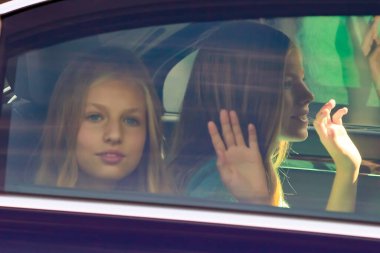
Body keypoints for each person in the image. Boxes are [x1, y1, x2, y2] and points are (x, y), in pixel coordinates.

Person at [167, 21, 361, 212]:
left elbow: (308, 245)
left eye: (302, 79)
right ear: (245, 96)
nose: (308, 95)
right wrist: (258, 204)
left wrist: (347, 167)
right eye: (286, 83)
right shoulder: (220, 186)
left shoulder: (245, 171)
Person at [35, 47, 167, 193]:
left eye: (130, 120)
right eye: (95, 117)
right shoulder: (29, 209)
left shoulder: (174, 211)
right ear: (65, 125)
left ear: (148, 134)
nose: (115, 135)